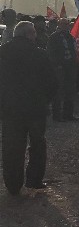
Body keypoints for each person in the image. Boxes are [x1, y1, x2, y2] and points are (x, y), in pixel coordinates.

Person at [0, 21, 58, 195]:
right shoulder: (40, 54)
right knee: (37, 145)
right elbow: (52, 82)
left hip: (10, 110)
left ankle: (12, 184)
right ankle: (34, 180)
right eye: (33, 33)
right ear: (29, 34)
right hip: (35, 109)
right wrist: (45, 100)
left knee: (12, 147)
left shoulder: (2, 52)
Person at [47, 18, 79, 122]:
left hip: (70, 68)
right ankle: (57, 115)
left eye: (67, 24)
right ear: (59, 25)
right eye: (63, 24)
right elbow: (51, 53)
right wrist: (57, 65)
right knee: (58, 92)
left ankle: (68, 114)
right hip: (59, 68)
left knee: (70, 91)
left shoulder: (70, 37)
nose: (66, 26)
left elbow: (74, 51)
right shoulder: (54, 37)